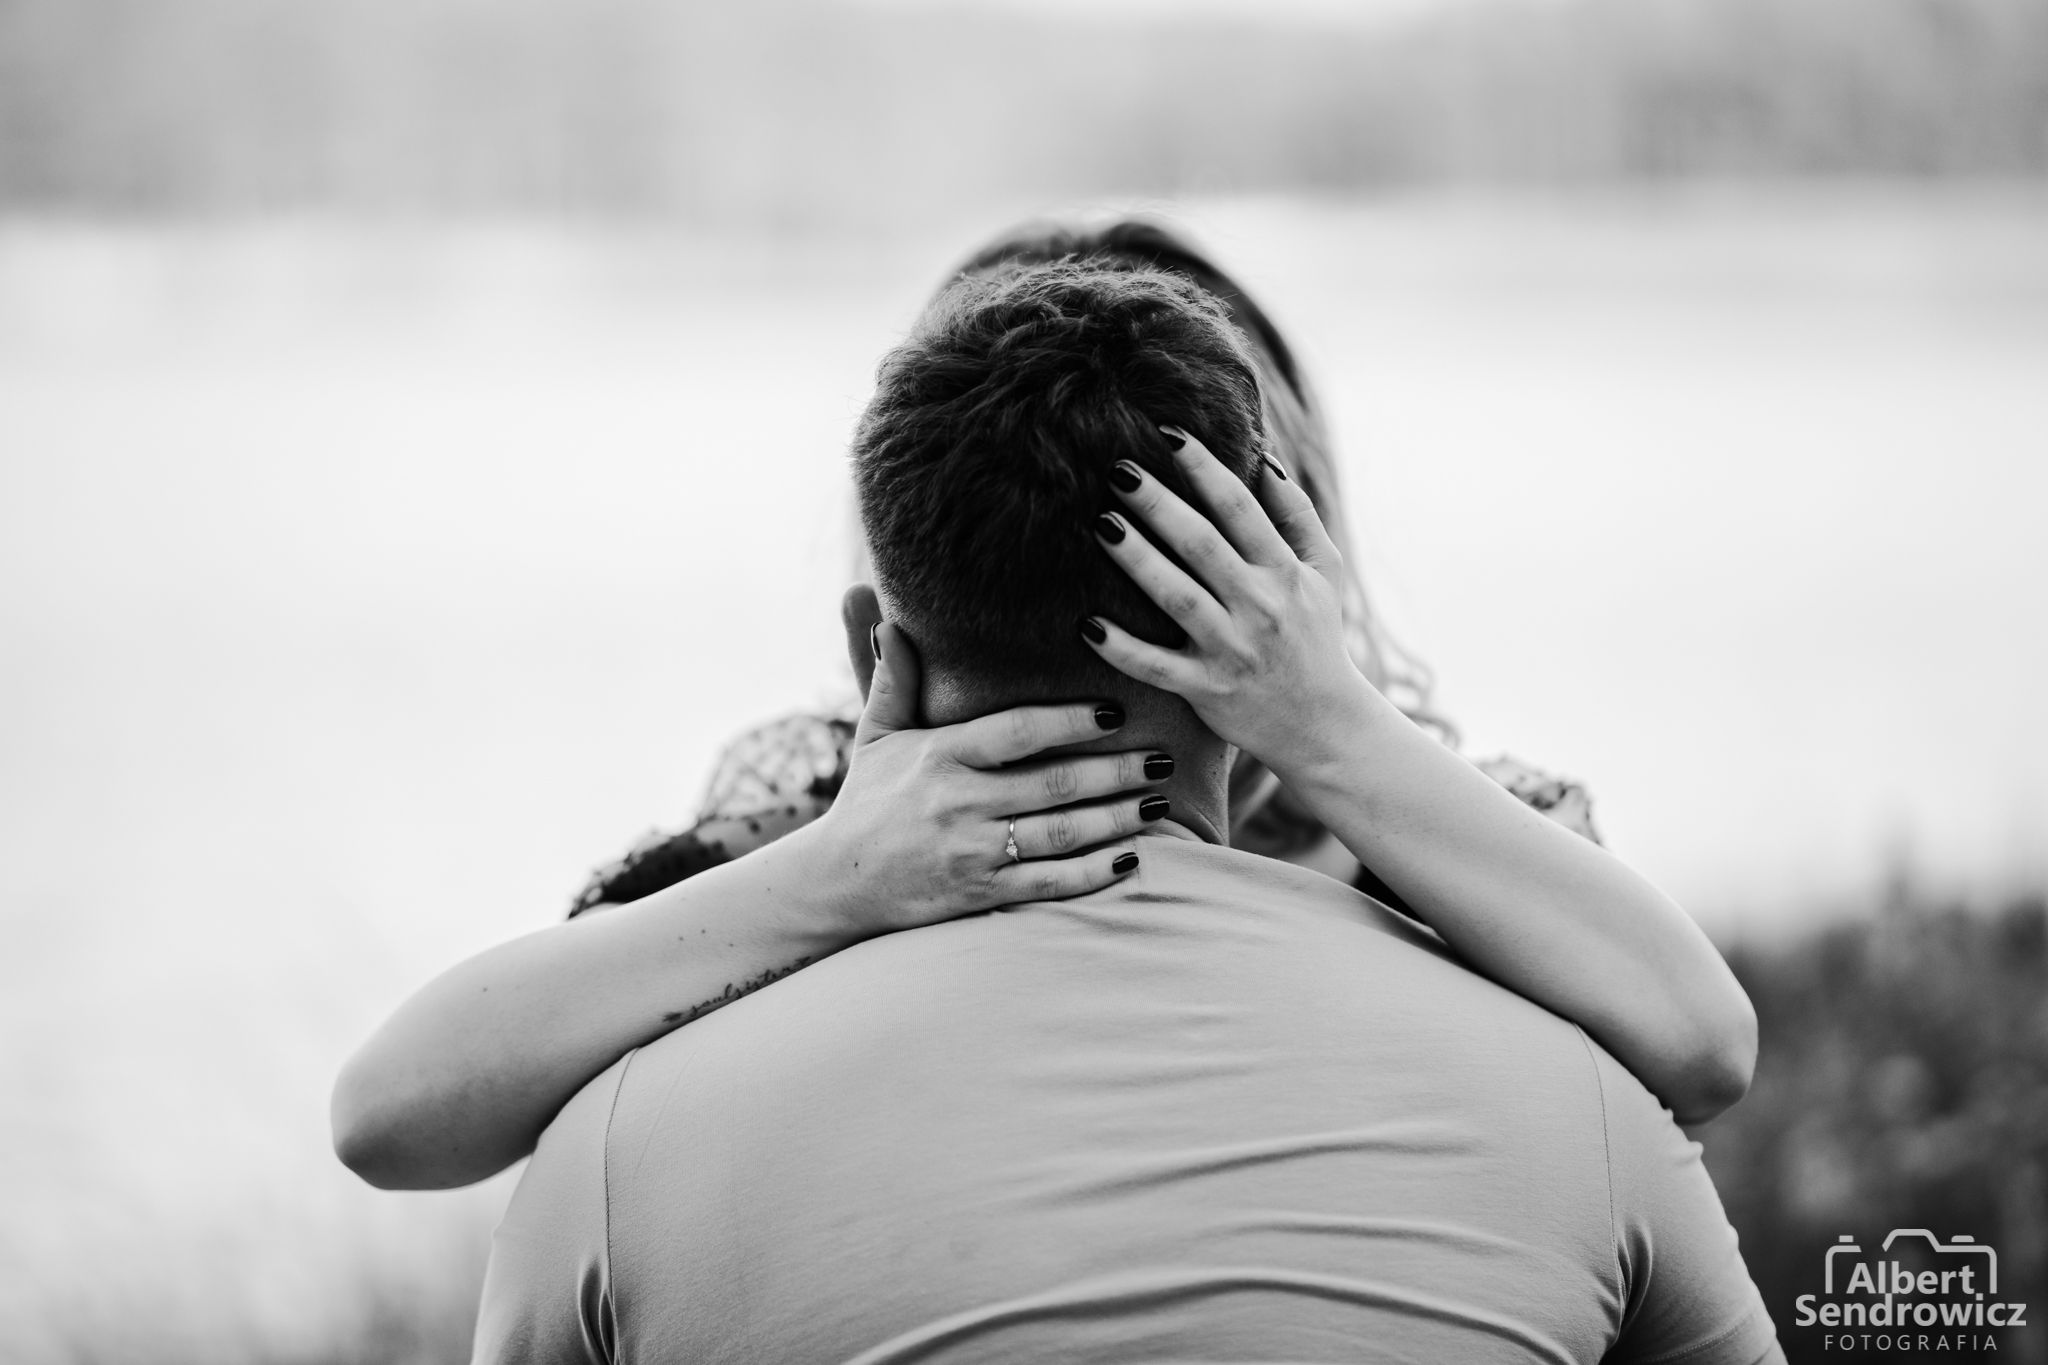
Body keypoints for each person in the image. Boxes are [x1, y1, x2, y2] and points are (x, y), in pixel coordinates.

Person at [471, 259, 1781, 1363]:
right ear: (1280, 599)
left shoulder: (622, 1149)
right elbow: (1707, 1048)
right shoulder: (1577, 1092)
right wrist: (1328, 718)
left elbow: (400, 1117)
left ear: (879, 636)